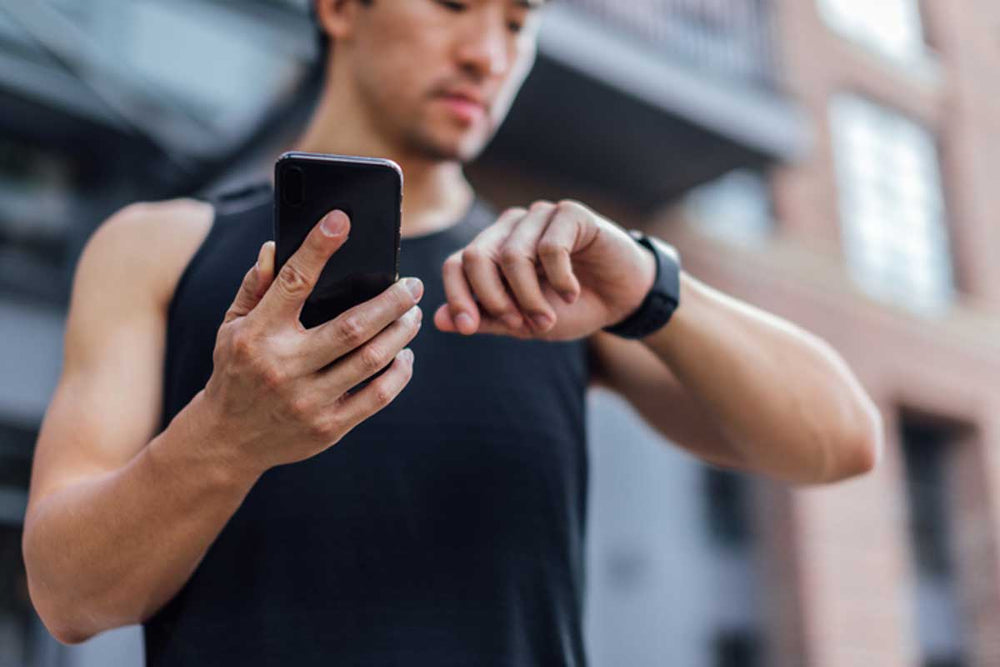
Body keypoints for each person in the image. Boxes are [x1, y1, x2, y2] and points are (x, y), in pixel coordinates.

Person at [22, 0, 883, 665]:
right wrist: (227, 435)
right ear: (339, 8)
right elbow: (70, 593)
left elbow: (840, 442)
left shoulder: (555, 279)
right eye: (452, 5)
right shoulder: (157, 246)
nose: (490, 53)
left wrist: (651, 287)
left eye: (519, 20)